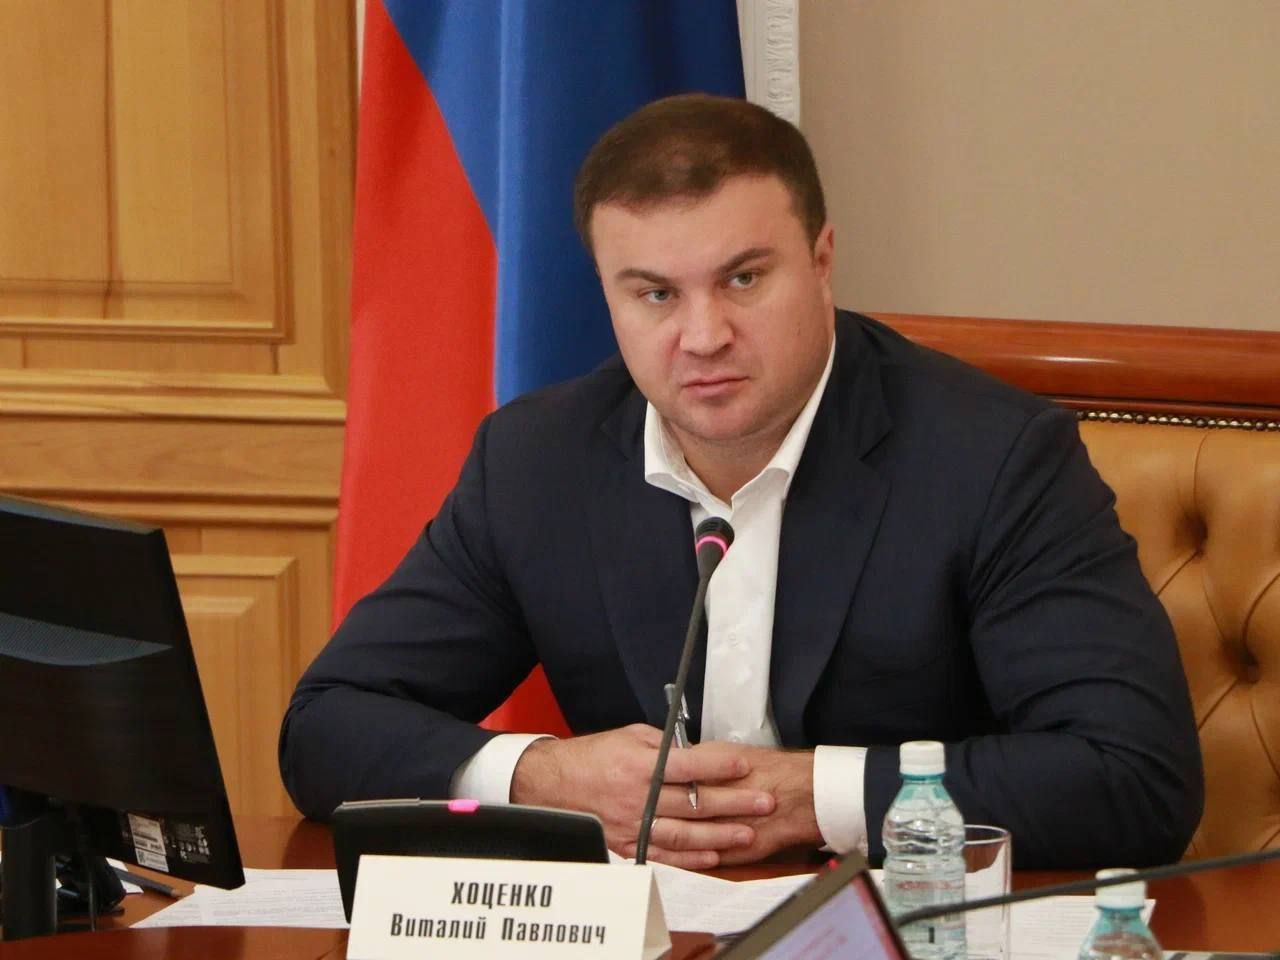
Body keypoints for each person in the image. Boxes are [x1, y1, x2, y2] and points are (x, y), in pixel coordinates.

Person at [279, 94, 1203, 870]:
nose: (703, 336)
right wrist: (542, 777)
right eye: (655, 294)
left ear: (822, 262)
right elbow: (326, 729)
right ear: (607, 294)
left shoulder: (992, 459)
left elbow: (1134, 778)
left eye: (744, 279)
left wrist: (813, 797)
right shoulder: (537, 462)